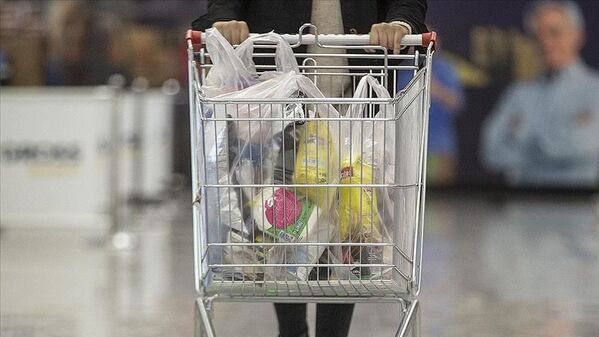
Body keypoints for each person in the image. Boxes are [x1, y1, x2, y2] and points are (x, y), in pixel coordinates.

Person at [193, 1, 427, 337]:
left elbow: (406, 3)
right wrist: (224, 21)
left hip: (353, 103)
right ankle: (291, 330)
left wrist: (401, 23)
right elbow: (222, 5)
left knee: (344, 222)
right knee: (281, 216)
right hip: (276, 102)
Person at [481, 0, 599, 188]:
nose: (546, 43)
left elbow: (585, 145)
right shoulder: (518, 94)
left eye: (554, 33)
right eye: (537, 36)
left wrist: (522, 138)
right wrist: (562, 136)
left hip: (580, 209)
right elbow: (492, 152)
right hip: (525, 208)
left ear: (578, 35)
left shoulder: (595, 90)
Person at [398, 25, 464, 185]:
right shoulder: (404, 68)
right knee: (408, 194)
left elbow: (457, 103)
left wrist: (436, 90)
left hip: (439, 147)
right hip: (406, 145)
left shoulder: (446, 69)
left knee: (440, 200)